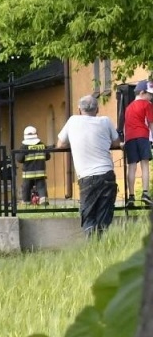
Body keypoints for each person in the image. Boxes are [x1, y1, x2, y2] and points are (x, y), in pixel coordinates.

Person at [58, 94, 121, 235]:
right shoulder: (106, 121)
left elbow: (61, 144)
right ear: (97, 109)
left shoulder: (73, 121)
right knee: (104, 215)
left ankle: (93, 247)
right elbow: (116, 143)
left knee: (88, 215)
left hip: (87, 177)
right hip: (107, 174)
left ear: (79, 109)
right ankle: (102, 246)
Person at [124, 82, 152, 206]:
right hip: (142, 136)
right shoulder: (147, 104)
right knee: (145, 165)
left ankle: (131, 196)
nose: (151, 97)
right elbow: (151, 123)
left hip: (129, 138)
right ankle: (145, 193)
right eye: (149, 94)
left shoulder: (128, 107)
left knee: (131, 167)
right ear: (142, 93)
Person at [20, 125, 49, 206]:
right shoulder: (42, 145)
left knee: (26, 188)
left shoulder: (24, 147)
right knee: (41, 187)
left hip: (28, 174)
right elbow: (47, 156)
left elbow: (19, 159)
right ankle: (43, 200)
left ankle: (26, 202)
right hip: (40, 173)